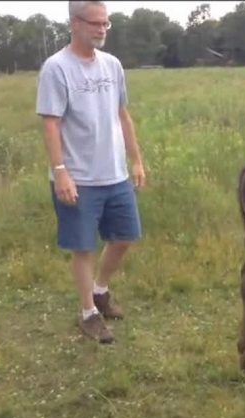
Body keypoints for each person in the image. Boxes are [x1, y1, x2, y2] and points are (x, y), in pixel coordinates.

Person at [35, 0, 148, 344]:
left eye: (105, 23)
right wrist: (61, 172)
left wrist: (136, 160)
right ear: (74, 23)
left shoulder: (112, 65)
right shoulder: (56, 68)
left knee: (125, 236)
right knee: (82, 247)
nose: (101, 29)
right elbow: (51, 125)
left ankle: (100, 291)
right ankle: (88, 314)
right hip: (79, 178)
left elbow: (122, 115)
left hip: (115, 174)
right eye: (95, 23)